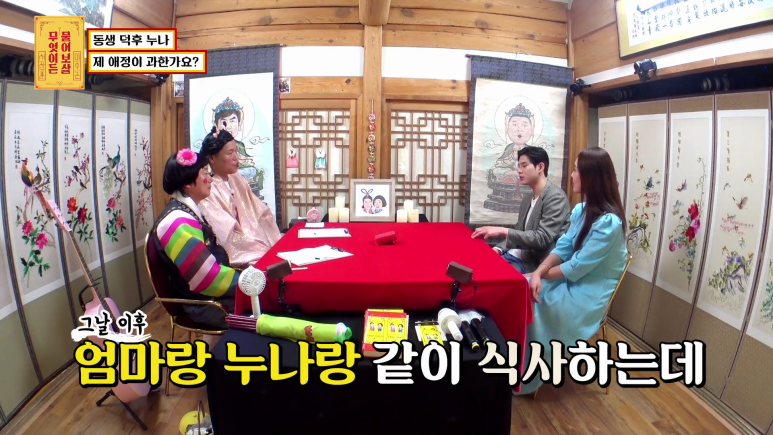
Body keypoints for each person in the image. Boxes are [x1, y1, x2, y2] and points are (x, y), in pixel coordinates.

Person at [513, 147, 628, 396]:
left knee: (533, 299)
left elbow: (576, 267)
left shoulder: (609, 224)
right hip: (572, 280)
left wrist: (538, 275)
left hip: (588, 291)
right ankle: (516, 363)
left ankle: (529, 372)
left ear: (590, 177)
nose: (572, 175)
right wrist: (539, 271)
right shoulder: (581, 210)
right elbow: (564, 246)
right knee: (520, 287)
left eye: (576, 170)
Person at [150, 148, 261, 329]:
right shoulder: (177, 222)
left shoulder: (187, 211)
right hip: (203, 304)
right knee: (267, 304)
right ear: (187, 182)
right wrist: (247, 280)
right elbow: (207, 278)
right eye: (204, 173)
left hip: (210, 295)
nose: (210, 179)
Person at [471, 146, 571, 274]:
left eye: (524, 165)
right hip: (513, 254)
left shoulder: (555, 197)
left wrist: (502, 230)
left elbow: (542, 238)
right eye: (518, 166)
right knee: (475, 264)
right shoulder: (528, 198)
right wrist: (498, 249)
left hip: (532, 263)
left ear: (540, 167)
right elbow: (519, 233)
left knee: (488, 275)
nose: (519, 170)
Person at [198, 127, 282, 269]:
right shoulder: (208, 190)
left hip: (255, 237)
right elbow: (225, 230)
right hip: (239, 250)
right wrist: (254, 243)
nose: (236, 157)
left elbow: (258, 209)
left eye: (236, 151)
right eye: (230, 153)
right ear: (212, 158)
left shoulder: (237, 178)